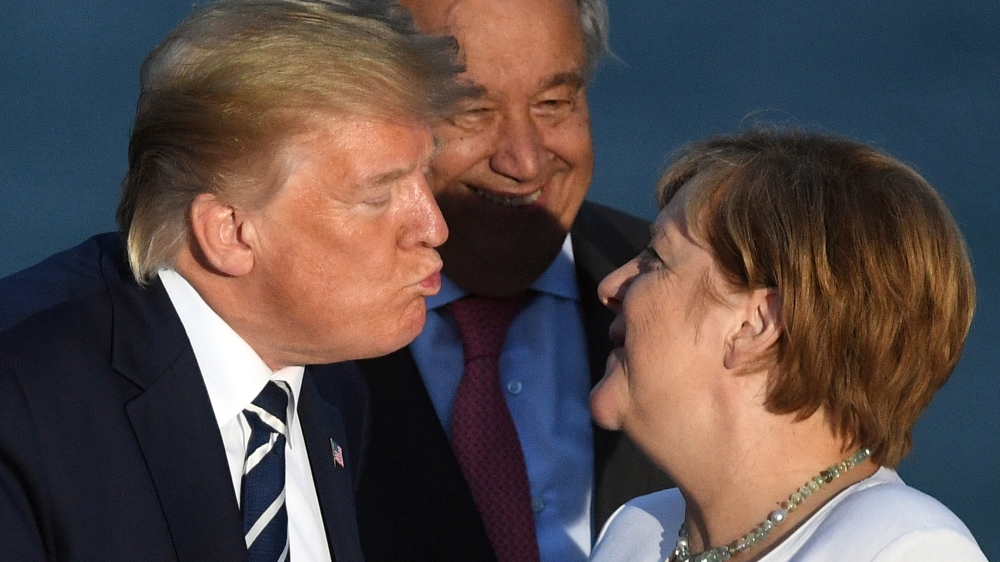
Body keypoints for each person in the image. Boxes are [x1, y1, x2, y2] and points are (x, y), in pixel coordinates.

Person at [0, 1, 464, 560]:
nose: (434, 226)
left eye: (425, 176)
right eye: (378, 195)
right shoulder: (23, 405)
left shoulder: (334, 377)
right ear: (230, 232)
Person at [352, 0, 673, 561]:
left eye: (553, 104)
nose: (524, 161)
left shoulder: (703, 298)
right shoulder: (287, 317)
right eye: (471, 111)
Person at [587, 128, 987, 561]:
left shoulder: (906, 548)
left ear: (756, 324)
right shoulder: (638, 532)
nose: (610, 286)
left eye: (655, 258)